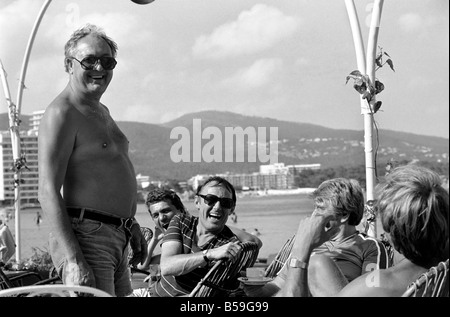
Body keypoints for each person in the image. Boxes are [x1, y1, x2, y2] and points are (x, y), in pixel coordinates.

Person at [38, 24, 147, 297]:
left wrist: (130, 225)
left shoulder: (100, 109)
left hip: (116, 238)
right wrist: (75, 259)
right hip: (88, 238)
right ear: (69, 65)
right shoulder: (62, 112)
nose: (99, 67)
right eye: (89, 60)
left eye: (107, 61)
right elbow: (47, 190)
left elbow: (104, 173)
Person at [280, 164, 449, 297]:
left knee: (318, 264)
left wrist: (300, 254)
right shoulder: (441, 273)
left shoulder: (378, 285)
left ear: (391, 232)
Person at [244, 178, 391, 297]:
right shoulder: (305, 242)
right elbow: (277, 285)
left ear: (344, 215)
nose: (313, 215)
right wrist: (255, 289)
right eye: (314, 208)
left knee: (317, 263)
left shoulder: (369, 247)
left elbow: (373, 291)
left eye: (320, 209)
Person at [149, 176, 259, 297]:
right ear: (197, 202)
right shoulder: (180, 221)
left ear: (231, 209)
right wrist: (209, 254)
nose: (217, 207)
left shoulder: (229, 247)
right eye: (210, 199)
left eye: (225, 203)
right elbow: (167, 266)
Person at [138, 188, 262, 271]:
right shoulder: (176, 244)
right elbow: (143, 265)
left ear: (181, 211)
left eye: (166, 211)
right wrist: (155, 239)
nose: (161, 218)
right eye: (155, 215)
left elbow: (254, 241)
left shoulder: (197, 229)